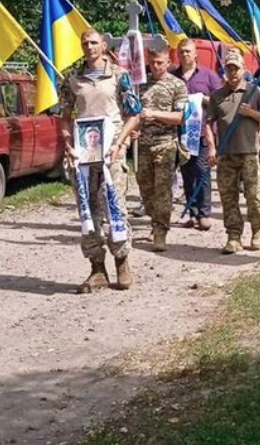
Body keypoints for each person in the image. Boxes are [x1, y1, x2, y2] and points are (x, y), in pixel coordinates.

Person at [59, 28, 141, 293]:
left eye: (94, 42)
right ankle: (97, 269)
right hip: (83, 158)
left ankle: (122, 261)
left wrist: (119, 143)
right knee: (88, 210)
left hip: (111, 155)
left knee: (115, 207)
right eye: (85, 43)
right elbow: (64, 116)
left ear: (104, 45)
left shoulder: (119, 76)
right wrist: (68, 144)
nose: (89, 47)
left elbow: (134, 115)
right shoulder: (73, 78)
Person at [204, 51, 260, 254]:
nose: (233, 72)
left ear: (244, 69)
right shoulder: (217, 96)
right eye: (229, 68)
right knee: (228, 197)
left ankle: (257, 231)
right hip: (226, 154)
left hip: (249, 153)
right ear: (225, 70)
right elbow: (208, 123)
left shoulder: (254, 92)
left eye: (237, 68)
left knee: (253, 196)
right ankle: (233, 236)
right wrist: (211, 148)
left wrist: (250, 112)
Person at [135, 48, 188, 252]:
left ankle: (160, 231)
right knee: (145, 189)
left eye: (160, 63)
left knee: (163, 190)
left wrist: (154, 114)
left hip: (166, 144)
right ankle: (154, 218)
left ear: (168, 63)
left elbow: (180, 117)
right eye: (153, 63)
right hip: (143, 145)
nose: (156, 67)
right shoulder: (141, 84)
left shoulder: (177, 85)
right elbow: (132, 112)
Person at [171, 38, 222, 231]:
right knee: (186, 173)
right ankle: (191, 212)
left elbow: (220, 102)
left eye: (188, 51)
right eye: (181, 51)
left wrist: (204, 100)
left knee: (202, 173)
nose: (184, 54)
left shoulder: (209, 76)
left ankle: (204, 213)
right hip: (180, 134)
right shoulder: (172, 76)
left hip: (201, 133)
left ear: (195, 54)